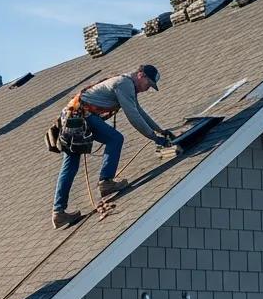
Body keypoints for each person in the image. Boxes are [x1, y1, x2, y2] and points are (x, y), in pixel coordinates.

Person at [51, 64, 173, 229]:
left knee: (72, 163)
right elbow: (133, 116)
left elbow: (139, 111)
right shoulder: (124, 84)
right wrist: (154, 138)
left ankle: (58, 213)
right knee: (115, 139)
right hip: (80, 116)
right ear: (140, 75)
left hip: (74, 117)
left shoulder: (127, 84)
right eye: (148, 84)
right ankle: (106, 182)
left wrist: (160, 130)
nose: (147, 89)